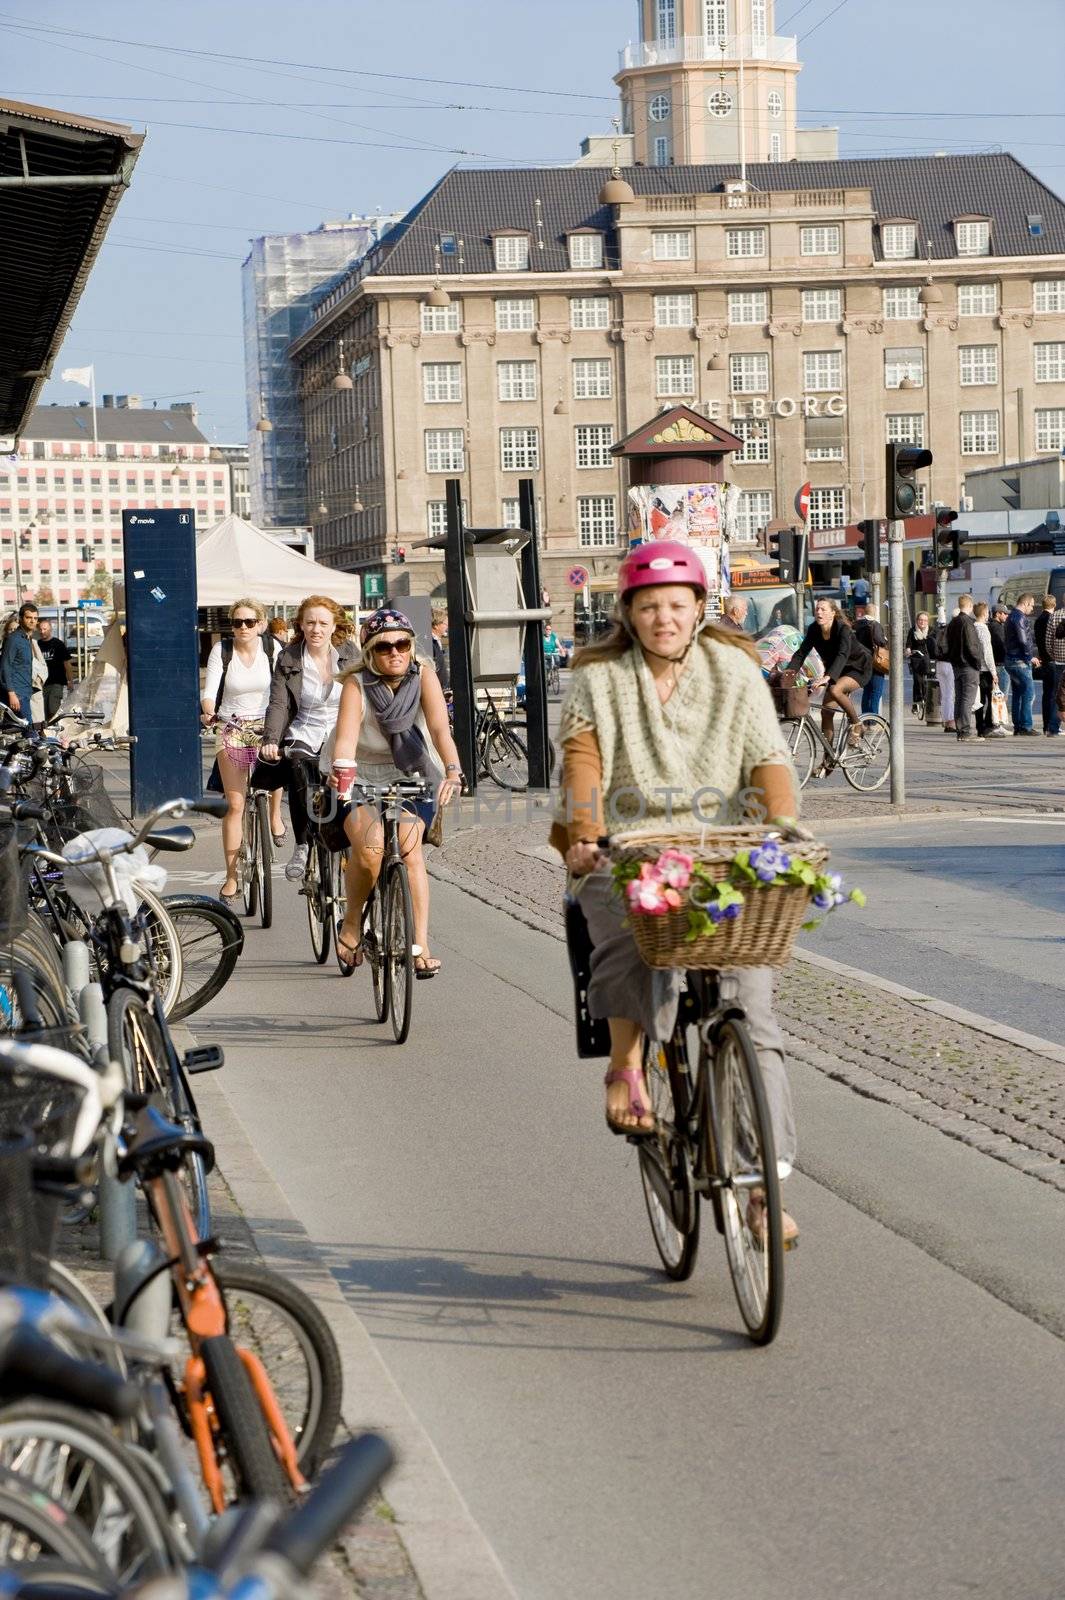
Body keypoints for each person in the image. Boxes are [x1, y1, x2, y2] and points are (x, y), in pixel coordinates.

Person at [551, 538, 800, 1243]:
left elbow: (765, 757)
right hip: (628, 842)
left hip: (723, 846)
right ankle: (626, 1065)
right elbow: (582, 760)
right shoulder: (600, 677)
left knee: (752, 1012)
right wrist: (586, 832)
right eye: (648, 606)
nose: (663, 617)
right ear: (628, 613)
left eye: (675, 604)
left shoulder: (735, 669)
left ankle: (761, 1190)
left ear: (699, 609)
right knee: (624, 927)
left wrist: (780, 829)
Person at [327, 608, 463, 978]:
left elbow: (439, 730)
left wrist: (453, 770)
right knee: (370, 850)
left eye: (402, 643)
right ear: (371, 651)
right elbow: (346, 739)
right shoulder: (357, 685)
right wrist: (342, 771)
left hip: (412, 772)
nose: (395, 652)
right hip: (359, 771)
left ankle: (420, 945)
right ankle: (352, 923)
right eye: (385, 646)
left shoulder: (424, 676)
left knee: (409, 849)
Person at [261, 595, 360, 881]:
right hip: (304, 729)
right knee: (298, 771)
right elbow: (279, 702)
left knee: (349, 782)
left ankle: (350, 839)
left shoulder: (350, 654)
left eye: (323, 623)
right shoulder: (289, 656)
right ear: (301, 625)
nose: (316, 629)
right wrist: (270, 739)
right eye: (310, 623)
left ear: (334, 626)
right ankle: (302, 845)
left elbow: (366, 696)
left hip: (342, 730)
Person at [201, 599, 285, 905]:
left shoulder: (273, 649)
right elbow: (210, 691)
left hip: (267, 725)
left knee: (276, 762)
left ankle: (275, 816)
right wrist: (208, 710)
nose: (243, 628)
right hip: (231, 725)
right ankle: (232, 877)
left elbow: (283, 688)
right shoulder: (221, 651)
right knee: (235, 805)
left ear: (261, 624)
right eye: (238, 623)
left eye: (250, 622)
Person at [787, 597, 871, 749]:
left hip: (857, 667)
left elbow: (843, 654)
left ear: (833, 613)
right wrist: (788, 673)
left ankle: (857, 724)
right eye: (817, 609)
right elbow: (801, 653)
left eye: (823, 609)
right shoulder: (814, 629)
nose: (818, 612)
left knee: (835, 689)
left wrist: (828, 677)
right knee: (826, 713)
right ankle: (828, 760)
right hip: (837, 670)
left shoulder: (842, 629)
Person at [946, 595, 982, 743]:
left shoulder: (953, 622)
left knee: (959, 699)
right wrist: (977, 663)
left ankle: (960, 730)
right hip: (968, 665)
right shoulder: (968, 623)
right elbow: (972, 646)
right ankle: (966, 731)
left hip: (956, 665)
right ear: (970, 606)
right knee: (968, 699)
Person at [1004, 593, 1040, 736]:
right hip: (1019, 661)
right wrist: (1029, 656)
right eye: (1031, 605)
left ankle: (1018, 725)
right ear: (1025, 603)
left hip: (1010, 659)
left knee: (1018, 693)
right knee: (1029, 693)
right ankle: (1025, 726)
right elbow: (1023, 640)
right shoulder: (1019, 617)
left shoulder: (1010, 617)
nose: (1032, 609)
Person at [0, 602, 39, 723]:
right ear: (21, 619)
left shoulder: (27, 639)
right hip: (17, 694)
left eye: (35, 618)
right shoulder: (14, 639)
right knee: (29, 732)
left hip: (25, 692)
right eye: (28, 618)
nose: (33, 621)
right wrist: (11, 694)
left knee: (19, 732)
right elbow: (5, 667)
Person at [36, 617, 74, 722]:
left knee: (53, 709)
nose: (42, 632)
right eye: (41, 629)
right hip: (41, 684)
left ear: (50, 629)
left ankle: (54, 728)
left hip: (56, 682)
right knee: (42, 711)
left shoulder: (58, 644)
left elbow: (67, 664)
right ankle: (45, 732)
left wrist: (70, 680)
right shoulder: (36, 644)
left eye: (45, 629)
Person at [1033, 594, 1061, 737]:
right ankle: (1052, 725)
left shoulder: (1038, 620)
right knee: (1056, 695)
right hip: (1053, 660)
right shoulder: (1052, 619)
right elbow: (1051, 640)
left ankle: (1046, 725)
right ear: (1054, 604)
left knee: (1047, 694)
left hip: (1044, 659)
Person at [971, 602, 999, 740]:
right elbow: (988, 652)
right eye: (987, 612)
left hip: (975, 668)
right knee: (989, 699)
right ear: (984, 613)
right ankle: (987, 726)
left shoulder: (972, 627)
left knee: (979, 701)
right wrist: (994, 672)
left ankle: (979, 726)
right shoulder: (983, 629)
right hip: (985, 669)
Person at [854, 602, 887, 716]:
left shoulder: (856, 625)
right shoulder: (875, 624)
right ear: (875, 612)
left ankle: (864, 717)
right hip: (875, 662)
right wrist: (885, 641)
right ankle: (873, 720)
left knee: (867, 691)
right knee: (876, 692)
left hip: (861, 663)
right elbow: (880, 641)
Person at [931, 611, 957, 732]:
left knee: (945, 694)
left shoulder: (942, 629)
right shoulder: (954, 629)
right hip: (950, 663)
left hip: (939, 663)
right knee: (951, 694)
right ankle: (951, 722)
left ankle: (946, 720)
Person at [988, 603, 1012, 729]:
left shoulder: (991, 626)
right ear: (997, 614)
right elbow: (1002, 645)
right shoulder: (997, 627)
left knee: (996, 696)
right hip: (1001, 664)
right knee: (1001, 696)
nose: (1007, 616)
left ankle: (996, 723)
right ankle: (998, 725)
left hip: (996, 664)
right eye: (1004, 613)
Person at [905, 613, 932, 716]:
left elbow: (934, 644)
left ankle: (927, 701)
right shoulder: (912, 631)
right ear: (917, 620)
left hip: (928, 659)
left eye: (925, 620)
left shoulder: (931, 630)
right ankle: (916, 703)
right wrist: (908, 650)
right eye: (920, 620)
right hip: (916, 659)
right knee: (917, 681)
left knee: (927, 682)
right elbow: (908, 644)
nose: (922, 622)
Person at [1046, 595, 1065, 737]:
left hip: (1059, 661)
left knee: (1058, 694)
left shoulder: (1055, 615)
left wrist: (1054, 655)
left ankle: (1053, 727)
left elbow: (1048, 640)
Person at [430, 607, 450, 695]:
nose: (447, 626)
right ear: (436, 625)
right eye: (445, 624)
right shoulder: (431, 643)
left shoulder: (436, 642)